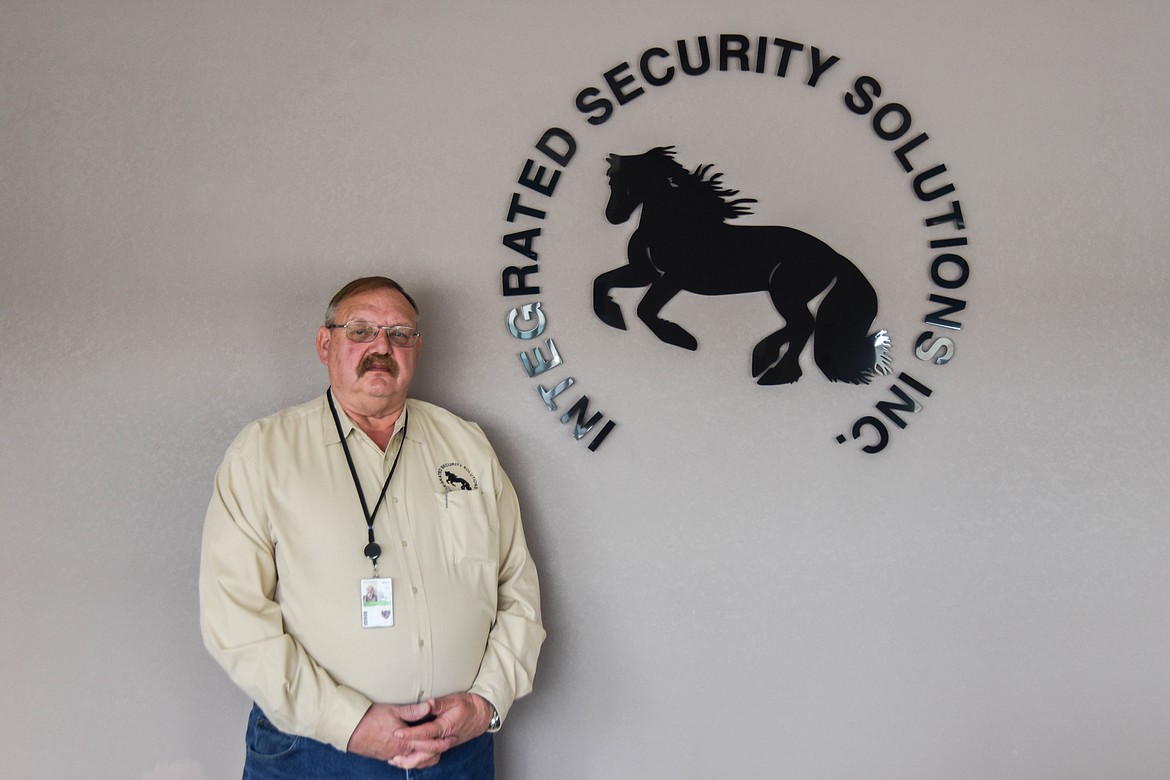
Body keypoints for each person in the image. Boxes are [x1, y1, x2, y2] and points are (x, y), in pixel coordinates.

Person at [200, 276, 544, 778]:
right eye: (360, 330)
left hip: (457, 751)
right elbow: (234, 618)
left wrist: (485, 704)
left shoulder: (468, 446)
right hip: (315, 753)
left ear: (416, 349)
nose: (381, 347)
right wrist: (351, 724)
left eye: (400, 334)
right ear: (326, 344)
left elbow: (519, 590)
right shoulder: (262, 453)